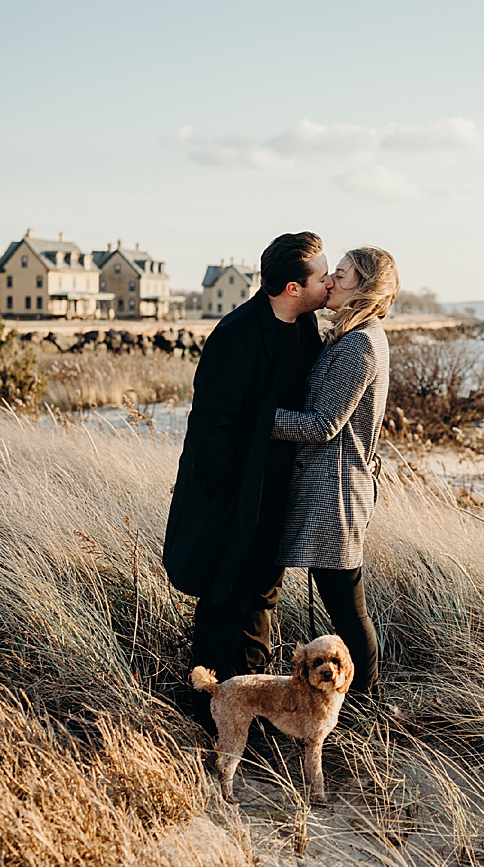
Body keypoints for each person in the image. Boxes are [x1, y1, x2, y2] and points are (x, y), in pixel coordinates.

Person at [163, 231, 330, 726]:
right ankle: (204, 713)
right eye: (321, 277)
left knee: (261, 602)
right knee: (221, 603)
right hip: (235, 498)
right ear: (292, 287)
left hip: (281, 496)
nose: (329, 283)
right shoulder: (236, 334)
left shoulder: (308, 326)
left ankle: (251, 718)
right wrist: (221, 499)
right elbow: (210, 425)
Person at [270, 246, 400, 694]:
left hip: (337, 491)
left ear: (363, 289)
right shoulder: (350, 336)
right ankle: (359, 702)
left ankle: (368, 703)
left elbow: (325, 425)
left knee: (346, 606)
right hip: (331, 486)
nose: (330, 281)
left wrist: (258, 419)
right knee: (343, 601)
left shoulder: (362, 343)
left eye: (341, 276)